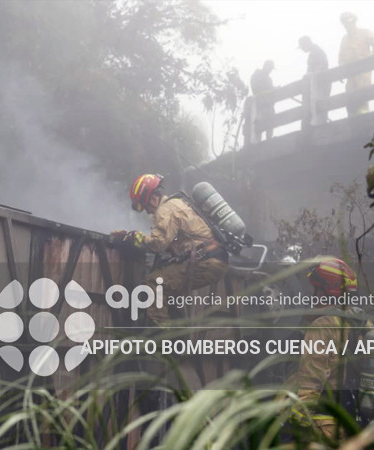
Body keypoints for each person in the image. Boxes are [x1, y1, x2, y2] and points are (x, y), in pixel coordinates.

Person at [111, 174, 230, 387]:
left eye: (145, 205)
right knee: (169, 290)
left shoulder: (165, 210)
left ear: (152, 197)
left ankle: (164, 342)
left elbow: (158, 243)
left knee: (153, 286)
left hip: (206, 261)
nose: (147, 211)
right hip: (214, 260)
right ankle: (179, 338)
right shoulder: (177, 204)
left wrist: (133, 237)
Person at [284, 258, 361, 440]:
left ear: (327, 291)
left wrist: (292, 420)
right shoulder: (360, 323)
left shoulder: (321, 327)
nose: (313, 294)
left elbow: (311, 380)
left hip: (321, 425)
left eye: (316, 288)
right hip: (351, 422)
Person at [338, 12, 374, 116]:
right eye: (345, 22)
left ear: (354, 21)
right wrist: (340, 70)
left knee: (362, 100)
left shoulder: (365, 33)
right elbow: (341, 57)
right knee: (350, 103)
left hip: (363, 75)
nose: (348, 24)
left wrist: (369, 60)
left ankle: (364, 123)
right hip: (350, 78)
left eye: (349, 21)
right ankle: (353, 124)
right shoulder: (344, 39)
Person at [298, 36, 330, 124]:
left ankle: (321, 124)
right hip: (315, 85)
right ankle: (318, 122)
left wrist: (313, 74)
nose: (302, 49)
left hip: (321, 85)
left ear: (306, 44)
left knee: (320, 104)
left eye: (302, 47)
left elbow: (322, 66)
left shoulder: (317, 52)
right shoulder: (313, 53)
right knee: (316, 105)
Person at [248, 60, 276, 141]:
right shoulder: (256, 75)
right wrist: (270, 89)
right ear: (265, 66)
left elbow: (270, 89)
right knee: (258, 125)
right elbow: (256, 88)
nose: (270, 71)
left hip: (269, 106)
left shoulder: (269, 79)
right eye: (270, 68)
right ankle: (257, 143)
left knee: (270, 124)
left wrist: (274, 89)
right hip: (259, 106)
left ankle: (269, 141)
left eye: (271, 69)